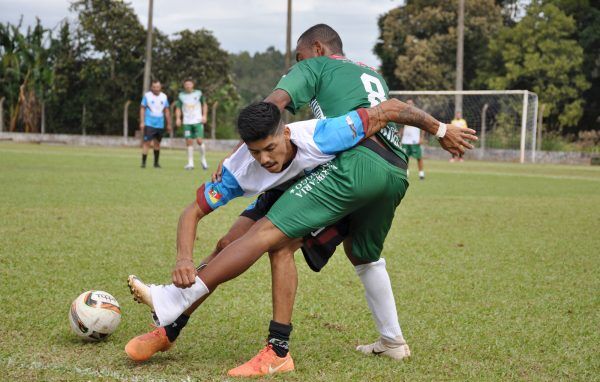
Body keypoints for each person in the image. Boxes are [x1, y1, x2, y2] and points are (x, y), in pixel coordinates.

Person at [125, 24, 475, 375]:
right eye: (253, 151)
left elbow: (273, 105)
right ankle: (393, 341)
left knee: (271, 240)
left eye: (298, 57)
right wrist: (442, 131)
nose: (295, 66)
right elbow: (198, 206)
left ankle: (261, 343)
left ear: (317, 49)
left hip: (350, 166)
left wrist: (442, 130)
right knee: (357, 254)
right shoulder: (370, 75)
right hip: (394, 172)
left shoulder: (316, 108)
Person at [175, 79, 208, 170]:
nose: (188, 86)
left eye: (190, 84)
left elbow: (204, 104)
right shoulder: (181, 95)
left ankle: (203, 160)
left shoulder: (198, 93)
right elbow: (178, 108)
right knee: (189, 141)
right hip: (187, 122)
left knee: (199, 141)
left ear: (193, 85)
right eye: (186, 84)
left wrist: (204, 115)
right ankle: (190, 163)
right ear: (184, 86)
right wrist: (178, 118)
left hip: (197, 121)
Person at [140, 80, 172, 168]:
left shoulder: (164, 97)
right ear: (151, 87)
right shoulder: (147, 96)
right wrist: (142, 122)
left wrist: (169, 124)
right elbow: (142, 108)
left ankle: (156, 163)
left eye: (157, 87)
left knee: (157, 143)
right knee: (147, 143)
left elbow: (166, 111)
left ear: (160, 87)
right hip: (149, 123)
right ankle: (143, 163)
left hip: (160, 124)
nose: (156, 89)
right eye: (154, 87)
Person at [400, 99, 426, 179]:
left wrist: (421, 138)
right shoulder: (403, 114)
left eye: (410, 103)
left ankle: (421, 174)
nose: (409, 105)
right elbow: (402, 127)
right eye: (407, 103)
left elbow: (423, 127)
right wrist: (400, 135)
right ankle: (406, 173)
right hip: (405, 140)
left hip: (415, 140)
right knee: (405, 158)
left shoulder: (418, 115)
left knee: (419, 157)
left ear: (413, 104)